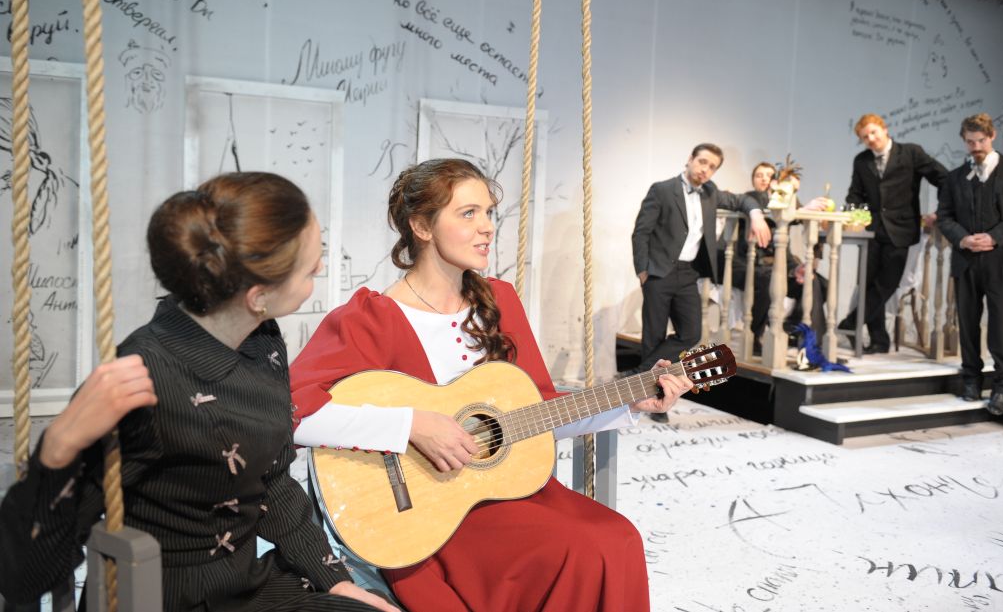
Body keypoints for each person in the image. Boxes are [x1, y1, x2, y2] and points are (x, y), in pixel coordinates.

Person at [289, 158, 692, 612]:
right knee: (583, 548)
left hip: (507, 493)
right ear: (421, 226)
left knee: (618, 538)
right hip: (430, 519)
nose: (487, 227)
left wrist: (630, 403)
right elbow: (291, 416)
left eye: (489, 213)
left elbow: (539, 413)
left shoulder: (498, 302)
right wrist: (411, 426)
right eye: (468, 213)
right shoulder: (371, 317)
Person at [0, 172, 396, 612]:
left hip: (248, 587)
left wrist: (334, 580)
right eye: (310, 267)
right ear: (258, 296)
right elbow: (24, 578)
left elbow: (271, 480)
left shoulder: (262, 340)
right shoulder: (146, 378)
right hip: (167, 598)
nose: (320, 268)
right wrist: (58, 447)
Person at [630, 143, 772, 367]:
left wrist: (756, 215)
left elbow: (741, 200)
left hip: (688, 273)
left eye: (712, 167)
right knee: (654, 335)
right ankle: (646, 383)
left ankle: (640, 374)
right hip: (659, 271)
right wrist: (642, 270)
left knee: (691, 333)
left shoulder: (710, 192)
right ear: (690, 159)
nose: (705, 169)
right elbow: (641, 232)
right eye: (702, 162)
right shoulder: (662, 190)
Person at [937, 113, 1003, 415]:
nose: (976, 147)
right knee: (967, 320)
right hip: (966, 259)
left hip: (1001, 258)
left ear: (992, 136)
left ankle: (1002, 385)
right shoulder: (954, 177)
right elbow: (945, 216)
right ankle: (971, 379)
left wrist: (994, 237)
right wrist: (963, 239)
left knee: (999, 321)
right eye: (970, 142)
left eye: (981, 141)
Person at [840, 114, 947, 353]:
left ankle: (850, 323)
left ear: (884, 129)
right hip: (872, 230)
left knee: (887, 284)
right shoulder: (861, 161)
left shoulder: (910, 153)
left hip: (901, 229)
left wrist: (941, 212)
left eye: (873, 132)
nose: (870, 139)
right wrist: (852, 214)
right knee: (868, 285)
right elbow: (855, 193)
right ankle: (879, 341)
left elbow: (943, 178)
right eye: (865, 137)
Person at [722, 164, 828, 355]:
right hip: (748, 263)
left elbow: (793, 222)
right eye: (759, 175)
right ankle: (754, 336)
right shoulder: (751, 198)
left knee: (816, 282)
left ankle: (809, 343)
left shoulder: (784, 200)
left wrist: (796, 268)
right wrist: (801, 209)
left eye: (769, 176)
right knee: (769, 281)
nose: (764, 179)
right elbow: (771, 210)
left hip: (779, 265)